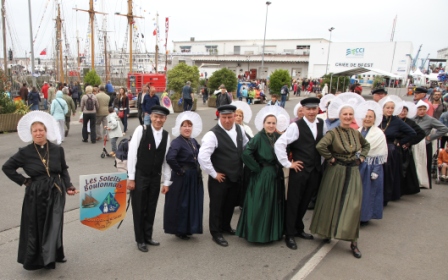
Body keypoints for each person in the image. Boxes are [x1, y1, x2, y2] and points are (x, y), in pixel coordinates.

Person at [2, 111, 76, 270]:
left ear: (46, 131)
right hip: (36, 193)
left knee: (55, 223)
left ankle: (56, 254)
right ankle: (39, 258)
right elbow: (7, 167)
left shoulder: (57, 149)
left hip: (56, 191)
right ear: (31, 133)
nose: (38, 133)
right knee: (37, 224)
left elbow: (63, 170)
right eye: (35, 131)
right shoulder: (25, 152)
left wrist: (69, 185)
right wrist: (24, 181)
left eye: (41, 130)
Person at [310, 105, 370, 258]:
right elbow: (320, 146)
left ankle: (353, 241)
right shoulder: (333, 133)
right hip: (336, 171)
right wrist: (330, 158)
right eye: (345, 114)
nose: (348, 117)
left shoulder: (356, 133)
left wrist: (362, 157)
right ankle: (327, 232)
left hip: (353, 171)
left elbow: (366, 145)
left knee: (354, 205)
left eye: (350, 114)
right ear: (340, 116)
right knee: (331, 200)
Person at [275, 97, 327, 250]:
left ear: (318, 110)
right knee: (293, 202)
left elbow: (323, 145)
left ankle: (298, 228)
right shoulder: (296, 126)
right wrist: (288, 164)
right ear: (302, 110)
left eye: (314, 109)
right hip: (299, 170)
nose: (311, 112)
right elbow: (280, 144)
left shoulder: (322, 124)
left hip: (315, 170)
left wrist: (322, 162)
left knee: (305, 201)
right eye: (308, 109)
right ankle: (289, 233)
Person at [198, 105, 249, 247]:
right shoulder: (212, 134)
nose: (227, 120)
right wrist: (214, 174)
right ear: (219, 116)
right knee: (217, 206)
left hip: (235, 175)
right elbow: (203, 157)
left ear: (234, 116)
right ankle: (216, 232)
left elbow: (246, 145)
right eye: (224, 117)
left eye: (230, 117)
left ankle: (226, 226)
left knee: (230, 204)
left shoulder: (240, 129)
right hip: (219, 178)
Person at [236, 110, 286, 243]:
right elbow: (246, 154)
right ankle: (257, 234)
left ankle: (271, 233)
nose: (271, 125)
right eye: (268, 123)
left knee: (272, 203)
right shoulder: (258, 137)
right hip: (262, 175)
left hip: (275, 174)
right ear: (263, 124)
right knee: (259, 203)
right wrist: (256, 168)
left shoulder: (277, 137)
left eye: (273, 123)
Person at [127, 105, 171, 252]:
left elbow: (166, 161)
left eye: (161, 117)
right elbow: (132, 154)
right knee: (139, 208)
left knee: (151, 207)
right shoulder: (142, 130)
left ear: (165, 119)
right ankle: (140, 239)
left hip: (155, 177)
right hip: (140, 175)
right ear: (151, 117)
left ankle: (148, 236)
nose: (158, 120)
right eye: (156, 117)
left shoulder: (166, 135)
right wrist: (131, 178)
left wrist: (166, 181)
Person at [162, 112, 203, 240]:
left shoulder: (192, 140)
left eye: (189, 126)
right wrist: (179, 171)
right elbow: (170, 157)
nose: (187, 128)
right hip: (182, 178)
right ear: (179, 128)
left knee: (191, 203)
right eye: (184, 126)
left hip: (193, 177)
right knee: (182, 204)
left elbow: (200, 153)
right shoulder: (177, 142)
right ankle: (179, 229)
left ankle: (189, 227)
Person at [355, 101, 387, 225]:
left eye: (370, 117)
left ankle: (364, 217)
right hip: (358, 165)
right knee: (355, 193)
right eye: (366, 116)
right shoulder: (357, 131)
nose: (367, 119)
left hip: (370, 167)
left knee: (367, 193)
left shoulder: (379, 134)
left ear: (374, 119)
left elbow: (380, 154)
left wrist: (376, 171)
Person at [379, 96, 416, 204]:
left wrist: (400, 142)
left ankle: (386, 196)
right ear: (383, 108)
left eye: (392, 108)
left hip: (390, 149)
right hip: (377, 149)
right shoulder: (378, 119)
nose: (390, 110)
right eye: (388, 107)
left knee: (387, 174)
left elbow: (412, 133)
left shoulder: (396, 121)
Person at [413, 100, 448, 189]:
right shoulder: (412, 119)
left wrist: (431, 137)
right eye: (420, 109)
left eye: (424, 109)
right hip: (413, 144)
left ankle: (424, 182)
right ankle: (414, 181)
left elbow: (444, 129)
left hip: (425, 144)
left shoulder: (430, 119)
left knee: (425, 163)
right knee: (414, 163)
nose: (422, 111)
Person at [397, 102, 426, 195]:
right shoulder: (393, 120)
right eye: (401, 111)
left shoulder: (410, 122)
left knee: (405, 170)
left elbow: (421, 133)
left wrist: (409, 143)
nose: (402, 113)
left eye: (405, 111)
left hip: (404, 148)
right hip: (394, 146)